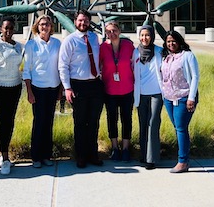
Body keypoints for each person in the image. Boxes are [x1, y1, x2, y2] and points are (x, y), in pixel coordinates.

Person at [58, 9, 104, 168]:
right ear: (75, 21)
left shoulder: (94, 38)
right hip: (78, 86)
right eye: (80, 20)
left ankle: (93, 154)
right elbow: (62, 66)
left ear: (89, 22)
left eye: (85, 21)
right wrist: (67, 88)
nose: (83, 23)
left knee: (94, 122)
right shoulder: (69, 41)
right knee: (80, 122)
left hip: (95, 85)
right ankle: (81, 156)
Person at [0, 16, 24, 175]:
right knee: (3, 120)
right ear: (0, 28)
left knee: (10, 120)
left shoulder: (19, 47)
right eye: (5, 28)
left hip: (15, 87)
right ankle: (4, 156)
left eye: (11, 28)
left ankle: (5, 150)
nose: (8, 31)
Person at [23, 14, 62, 168]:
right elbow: (26, 70)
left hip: (53, 89)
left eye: (47, 24)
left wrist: (60, 89)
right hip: (38, 89)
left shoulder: (57, 44)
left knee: (49, 123)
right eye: (41, 24)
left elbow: (60, 67)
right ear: (37, 27)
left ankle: (47, 155)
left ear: (51, 27)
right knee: (39, 123)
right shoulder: (31, 45)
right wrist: (29, 92)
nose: (44, 27)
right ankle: (36, 157)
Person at [160, 30, 200, 174]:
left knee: (181, 129)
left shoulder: (187, 56)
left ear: (180, 41)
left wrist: (191, 97)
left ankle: (182, 161)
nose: (171, 44)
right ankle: (184, 158)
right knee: (178, 128)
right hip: (169, 98)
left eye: (174, 41)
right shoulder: (165, 57)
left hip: (184, 97)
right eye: (168, 41)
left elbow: (195, 76)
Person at [99, 21, 135, 161]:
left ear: (119, 31)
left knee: (127, 119)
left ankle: (125, 148)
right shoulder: (103, 48)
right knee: (112, 119)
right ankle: (114, 148)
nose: (111, 34)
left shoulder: (128, 46)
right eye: (108, 31)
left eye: (114, 30)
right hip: (110, 90)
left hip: (127, 89)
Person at [132, 24, 163, 170]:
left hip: (156, 93)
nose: (145, 38)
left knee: (153, 123)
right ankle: (143, 155)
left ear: (152, 36)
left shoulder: (159, 51)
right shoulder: (135, 53)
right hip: (141, 94)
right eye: (142, 35)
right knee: (143, 124)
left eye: (147, 35)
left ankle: (151, 159)